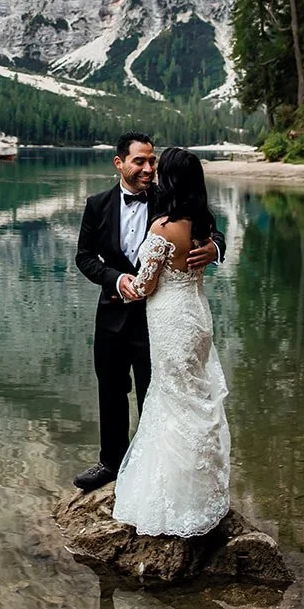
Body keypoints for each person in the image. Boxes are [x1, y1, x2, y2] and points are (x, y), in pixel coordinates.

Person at [73, 133, 225, 492]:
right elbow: (84, 257)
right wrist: (114, 278)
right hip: (111, 313)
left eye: (152, 161)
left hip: (159, 320)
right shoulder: (97, 204)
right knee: (110, 389)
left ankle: (153, 468)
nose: (147, 168)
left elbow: (210, 227)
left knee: (154, 392)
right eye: (139, 161)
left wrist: (215, 248)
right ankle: (110, 463)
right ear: (119, 163)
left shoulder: (168, 199)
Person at [111, 147, 230, 537]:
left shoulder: (162, 228)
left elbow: (145, 284)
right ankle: (204, 492)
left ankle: (174, 500)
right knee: (194, 398)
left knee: (173, 400)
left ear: (172, 179)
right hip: (197, 318)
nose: (153, 174)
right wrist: (212, 247)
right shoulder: (200, 223)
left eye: (159, 169)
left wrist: (124, 290)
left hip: (171, 321)